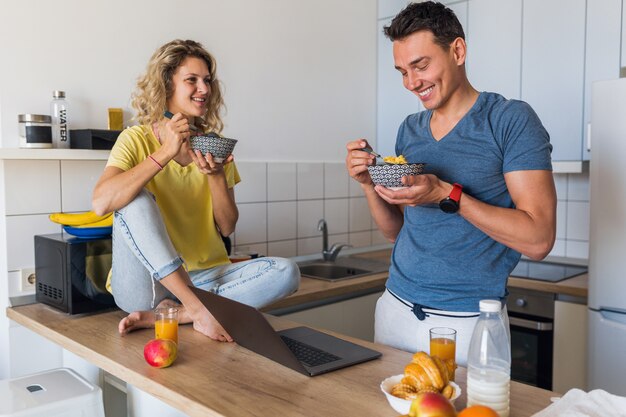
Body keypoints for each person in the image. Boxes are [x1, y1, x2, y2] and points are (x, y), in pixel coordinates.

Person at [345, 2, 556, 365]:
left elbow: (538, 240)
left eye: (421, 65)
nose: (412, 83)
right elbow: (397, 231)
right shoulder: (409, 130)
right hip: (395, 308)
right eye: (402, 71)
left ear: (457, 50)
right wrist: (368, 184)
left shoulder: (509, 120)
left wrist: (446, 192)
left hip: (468, 321)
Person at [92, 39, 299, 342]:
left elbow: (227, 226)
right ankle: (197, 309)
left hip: (204, 276)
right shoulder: (135, 139)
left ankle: (182, 312)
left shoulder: (213, 146)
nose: (204, 89)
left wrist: (215, 175)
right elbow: (101, 202)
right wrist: (164, 153)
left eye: (207, 80)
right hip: (145, 285)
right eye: (192, 80)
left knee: (287, 272)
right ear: (166, 86)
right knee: (133, 199)